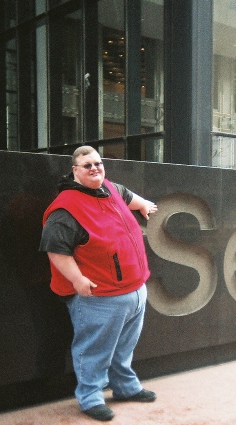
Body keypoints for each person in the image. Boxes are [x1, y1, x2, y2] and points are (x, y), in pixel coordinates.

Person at [40, 145, 158, 421]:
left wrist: (142, 204)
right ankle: (91, 397)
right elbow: (56, 250)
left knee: (124, 347)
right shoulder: (65, 208)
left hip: (133, 289)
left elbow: (127, 196)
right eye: (87, 165)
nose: (94, 168)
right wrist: (77, 279)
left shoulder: (110, 188)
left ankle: (125, 387)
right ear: (74, 171)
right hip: (99, 296)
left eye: (97, 163)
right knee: (94, 351)